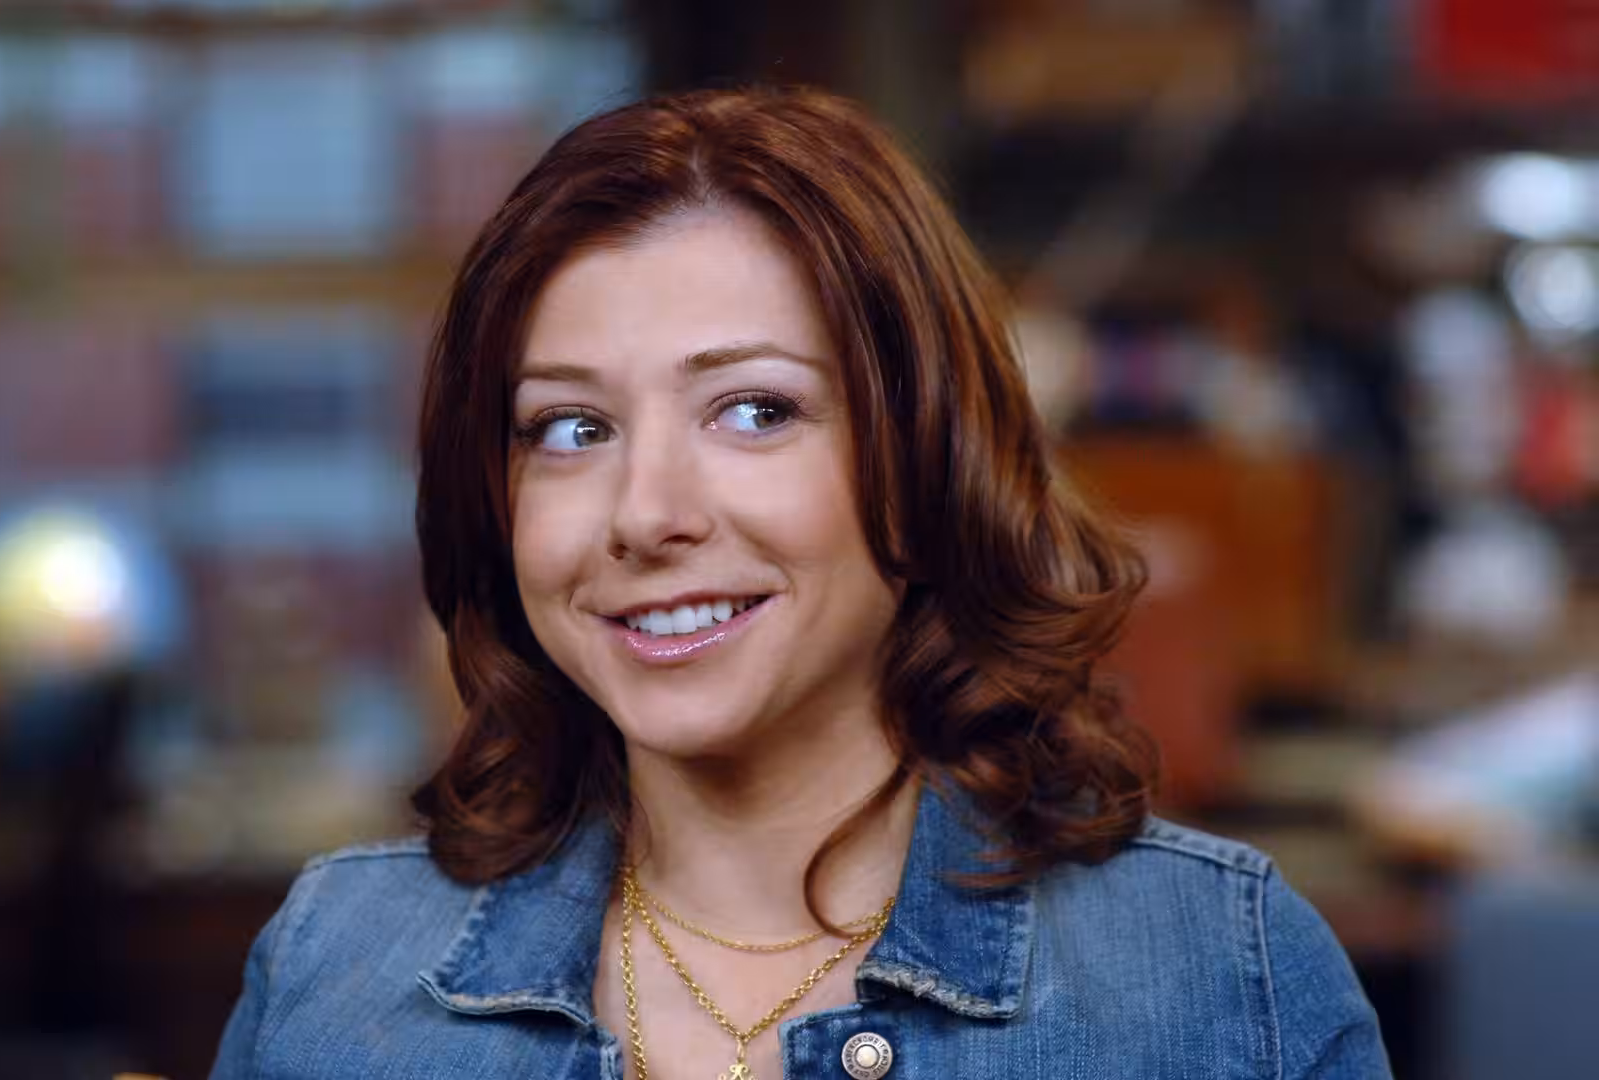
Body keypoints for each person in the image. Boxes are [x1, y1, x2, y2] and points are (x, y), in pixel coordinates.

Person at [210, 86, 1389, 1080]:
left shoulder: (1218, 978)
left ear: (925, 459)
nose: (646, 515)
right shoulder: (336, 975)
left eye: (754, 410)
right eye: (572, 428)